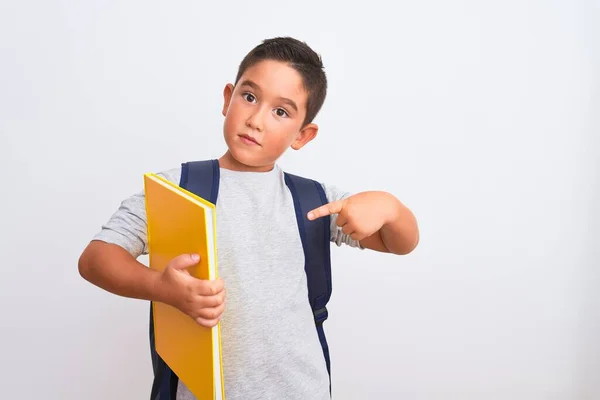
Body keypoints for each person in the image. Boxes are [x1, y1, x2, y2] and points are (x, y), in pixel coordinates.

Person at [78, 36, 419, 400]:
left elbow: (397, 243)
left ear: (302, 135)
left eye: (281, 112)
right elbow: (96, 259)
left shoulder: (316, 201)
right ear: (228, 98)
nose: (256, 120)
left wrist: (391, 208)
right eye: (250, 97)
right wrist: (161, 288)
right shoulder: (174, 189)